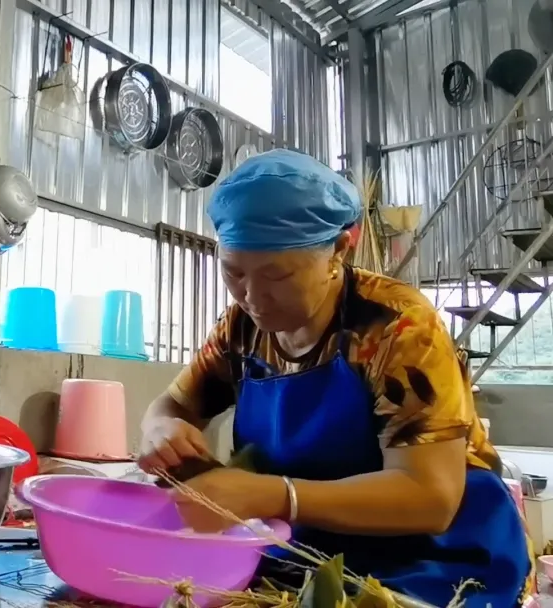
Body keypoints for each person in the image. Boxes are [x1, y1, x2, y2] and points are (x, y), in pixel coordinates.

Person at [137, 149, 534, 606]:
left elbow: (431, 498)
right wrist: (159, 428)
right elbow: (174, 404)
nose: (252, 296)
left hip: (437, 561)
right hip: (313, 552)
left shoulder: (397, 327)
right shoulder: (242, 330)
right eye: (234, 272)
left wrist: (270, 494)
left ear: (340, 249)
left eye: (276, 275)